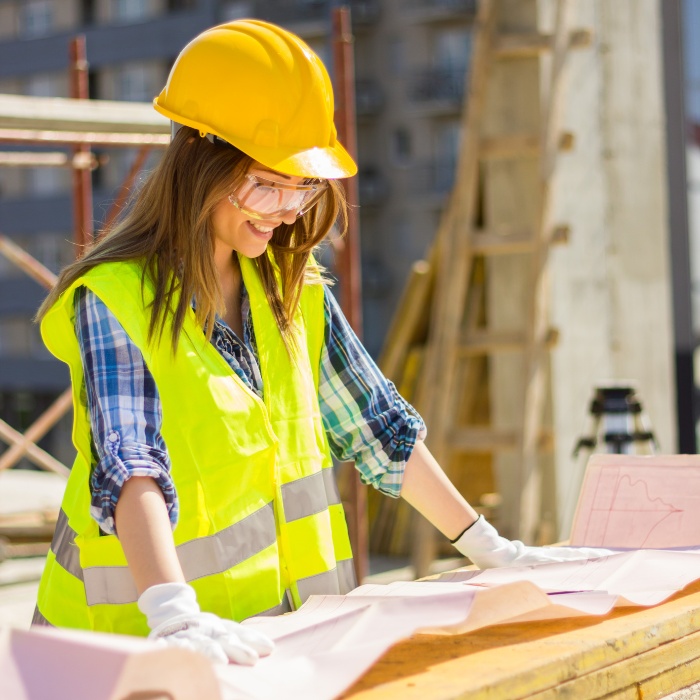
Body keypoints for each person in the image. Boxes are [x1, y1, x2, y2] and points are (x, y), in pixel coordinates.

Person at [33, 20, 608, 666]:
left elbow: (380, 431)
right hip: (123, 655)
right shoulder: (113, 301)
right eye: (265, 184)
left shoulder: (292, 291)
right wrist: (173, 612)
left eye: (301, 188)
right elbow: (130, 465)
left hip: (281, 649)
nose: (286, 209)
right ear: (200, 159)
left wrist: (488, 546)